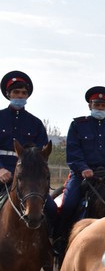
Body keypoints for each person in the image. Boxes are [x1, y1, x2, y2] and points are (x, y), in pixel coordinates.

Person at [54, 86, 105, 254]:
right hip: (82, 176)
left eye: (103, 105)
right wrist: (83, 168)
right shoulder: (78, 125)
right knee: (69, 204)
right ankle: (60, 239)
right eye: (96, 105)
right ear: (89, 105)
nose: (99, 108)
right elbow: (73, 151)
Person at [0, 70, 57, 222]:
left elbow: (41, 155)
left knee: (51, 208)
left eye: (23, 93)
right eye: (16, 92)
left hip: (27, 178)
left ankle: (55, 242)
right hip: (2, 173)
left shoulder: (36, 124)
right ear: (8, 94)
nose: (20, 96)